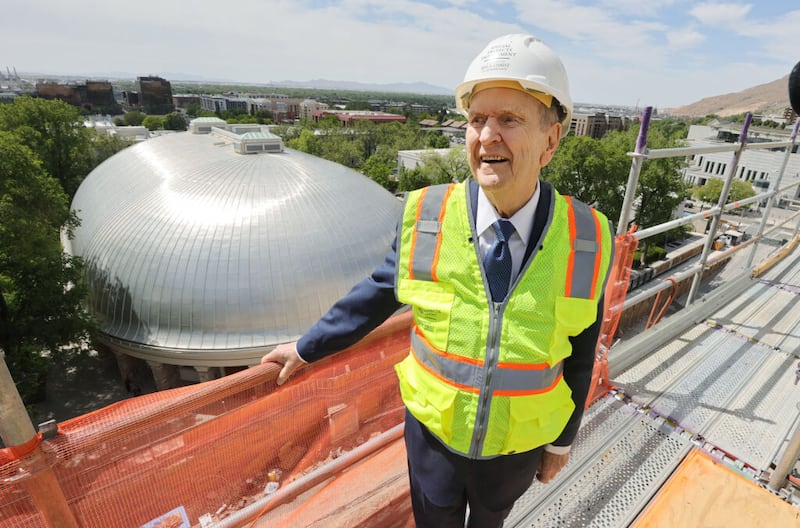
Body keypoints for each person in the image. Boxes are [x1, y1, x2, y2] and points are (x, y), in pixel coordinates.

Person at [261, 33, 614, 527]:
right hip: (433, 444)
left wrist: (562, 442)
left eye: (509, 120)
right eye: (476, 120)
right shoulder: (429, 215)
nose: (487, 135)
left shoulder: (587, 238)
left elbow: (580, 351)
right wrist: (305, 348)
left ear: (551, 141)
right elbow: (376, 294)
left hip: (514, 453)